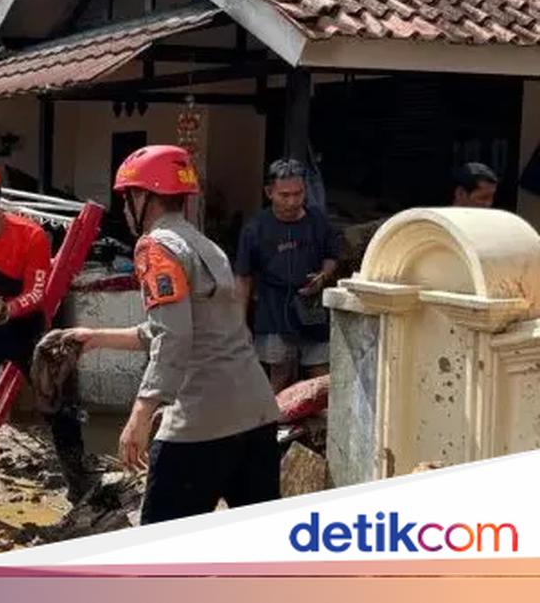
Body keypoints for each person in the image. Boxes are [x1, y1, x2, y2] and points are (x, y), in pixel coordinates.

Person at [59, 145, 280, 524]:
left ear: (143, 197)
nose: (125, 209)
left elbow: (174, 337)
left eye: (126, 199)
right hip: (256, 413)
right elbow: (180, 328)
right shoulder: (205, 245)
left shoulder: (155, 247)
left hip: (200, 422)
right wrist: (95, 337)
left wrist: (141, 414)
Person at [0, 163, 89, 515]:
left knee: (58, 402)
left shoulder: (32, 236)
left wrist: (4, 310)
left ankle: (79, 483)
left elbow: (36, 293)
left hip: (25, 329)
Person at [235, 159, 340, 391]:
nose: (293, 201)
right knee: (279, 376)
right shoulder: (256, 229)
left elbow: (332, 255)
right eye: (285, 195)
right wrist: (240, 321)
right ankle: (274, 424)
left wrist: (324, 274)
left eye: (298, 193)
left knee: (320, 376)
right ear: (269, 192)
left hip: (313, 311)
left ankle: (319, 427)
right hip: (273, 312)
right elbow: (243, 277)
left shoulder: (318, 221)